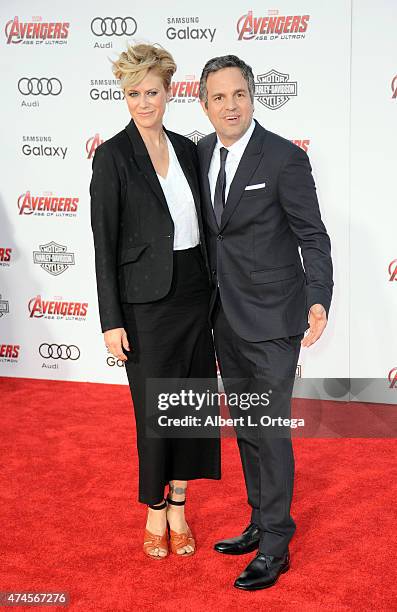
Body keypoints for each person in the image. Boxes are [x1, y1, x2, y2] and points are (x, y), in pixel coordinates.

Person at [197, 55, 333, 589]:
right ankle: (258, 519)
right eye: (219, 97)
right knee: (248, 427)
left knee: (271, 431)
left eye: (240, 94)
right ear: (205, 104)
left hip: (275, 319)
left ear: (254, 96)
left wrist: (318, 297)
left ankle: (277, 543)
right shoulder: (201, 151)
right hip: (224, 317)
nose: (231, 105)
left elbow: (312, 235)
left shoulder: (283, 158)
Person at [90, 44, 220, 560]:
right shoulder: (113, 155)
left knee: (191, 403)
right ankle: (154, 508)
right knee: (155, 409)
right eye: (132, 94)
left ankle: (181, 506)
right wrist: (110, 319)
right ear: (123, 96)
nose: (142, 102)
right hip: (144, 304)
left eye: (151, 92)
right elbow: (104, 242)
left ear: (169, 91)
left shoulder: (188, 148)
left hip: (194, 292)